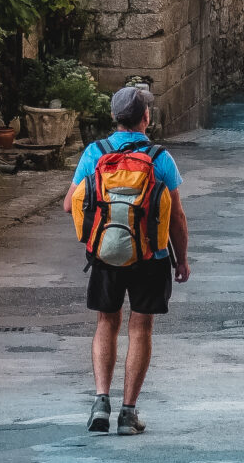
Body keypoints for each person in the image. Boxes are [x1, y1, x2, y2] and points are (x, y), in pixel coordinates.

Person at [72, 84, 189, 436]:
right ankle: (128, 412)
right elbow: (177, 216)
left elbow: (70, 203)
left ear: (113, 118)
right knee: (141, 327)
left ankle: (100, 402)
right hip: (151, 255)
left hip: (106, 253)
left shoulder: (95, 153)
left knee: (106, 323)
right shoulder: (160, 158)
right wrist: (181, 260)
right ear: (145, 118)